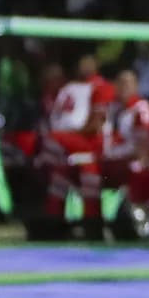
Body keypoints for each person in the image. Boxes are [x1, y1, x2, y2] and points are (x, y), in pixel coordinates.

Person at [38, 54, 114, 241]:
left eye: (88, 62)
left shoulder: (100, 87)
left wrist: (73, 135)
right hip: (69, 146)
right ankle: (54, 229)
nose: (83, 66)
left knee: (54, 143)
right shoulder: (68, 88)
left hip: (89, 143)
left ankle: (93, 228)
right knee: (59, 181)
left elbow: (97, 123)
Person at [103, 70, 149, 230]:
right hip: (110, 160)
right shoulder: (111, 108)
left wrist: (141, 161)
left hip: (130, 161)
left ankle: (141, 224)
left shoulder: (141, 108)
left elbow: (146, 142)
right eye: (120, 83)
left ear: (136, 86)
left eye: (128, 83)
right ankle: (95, 224)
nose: (123, 87)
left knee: (137, 171)